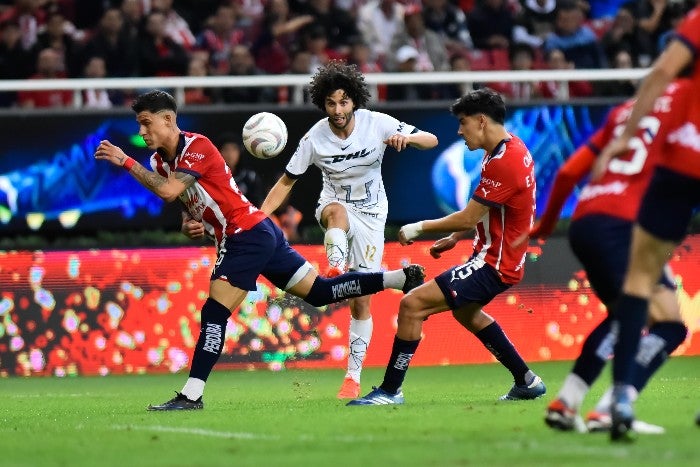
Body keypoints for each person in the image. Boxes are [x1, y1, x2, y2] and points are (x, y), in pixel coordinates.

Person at [93, 89, 426, 410]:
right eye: (139, 123)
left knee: (214, 312)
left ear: (168, 119)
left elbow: (167, 191)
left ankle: (191, 396)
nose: (142, 130)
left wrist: (124, 161)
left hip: (244, 234)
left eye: (146, 122)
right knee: (321, 292)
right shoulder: (160, 161)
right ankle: (397, 278)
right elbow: (183, 199)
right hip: (258, 231)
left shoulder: (197, 146)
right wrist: (188, 222)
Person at [347, 88, 546, 406]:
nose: (459, 131)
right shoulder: (507, 150)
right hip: (500, 257)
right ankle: (526, 380)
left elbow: (468, 215)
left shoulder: (504, 162)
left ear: (481, 121)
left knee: (412, 305)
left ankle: (389, 390)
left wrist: (418, 227)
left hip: (494, 262)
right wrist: (456, 237)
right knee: (467, 314)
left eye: (463, 123)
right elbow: (489, 212)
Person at [260, 61, 438, 399]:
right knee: (336, 213)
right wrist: (259, 216)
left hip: (372, 216)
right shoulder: (314, 138)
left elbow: (431, 139)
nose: (338, 110)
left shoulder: (377, 123)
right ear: (323, 104)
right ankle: (336, 267)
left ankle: (353, 376)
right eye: (331, 103)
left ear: (354, 100)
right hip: (334, 207)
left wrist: (408, 138)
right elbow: (286, 182)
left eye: (343, 102)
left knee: (361, 303)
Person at [532, 80, 690, 434]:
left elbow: (570, 172)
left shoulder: (621, 114)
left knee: (622, 316)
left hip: (586, 221)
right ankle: (612, 406)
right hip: (629, 226)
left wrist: (545, 227)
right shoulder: (685, 106)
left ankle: (567, 402)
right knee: (669, 326)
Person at [594, 4, 700, 441]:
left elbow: (660, 73)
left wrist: (623, 138)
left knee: (640, 279)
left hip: (683, 157)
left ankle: (620, 396)